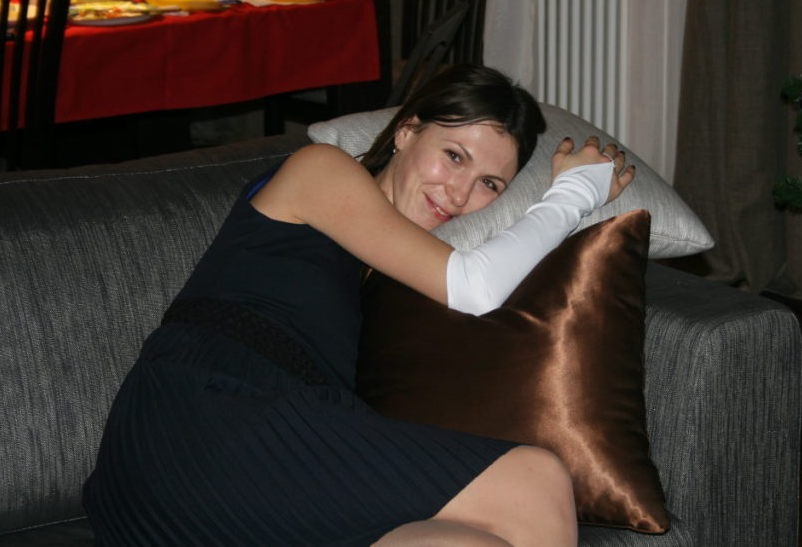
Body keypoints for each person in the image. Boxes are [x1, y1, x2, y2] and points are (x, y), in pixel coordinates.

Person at [83, 64, 634, 546]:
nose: (460, 194)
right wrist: (573, 194)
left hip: (274, 466)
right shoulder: (319, 171)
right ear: (406, 131)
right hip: (201, 421)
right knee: (533, 479)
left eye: (489, 183)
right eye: (453, 156)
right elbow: (475, 286)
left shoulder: (394, 269)